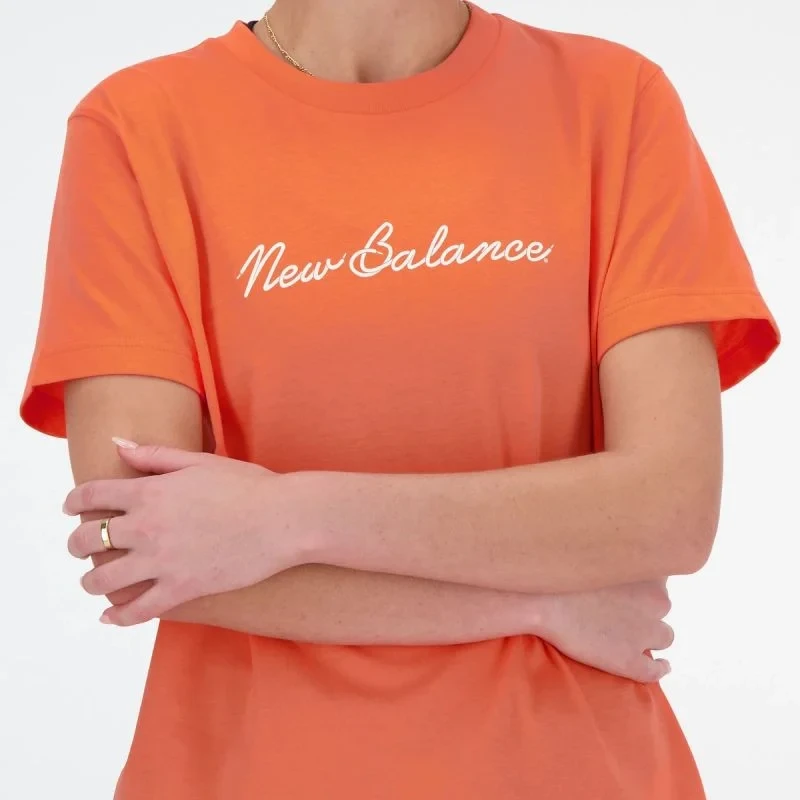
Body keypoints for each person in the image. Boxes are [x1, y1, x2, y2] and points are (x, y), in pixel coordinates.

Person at [21, 1, 779, 797]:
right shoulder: (136, 126)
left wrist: (287, 516)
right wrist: (539, 606)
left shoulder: (614, 100)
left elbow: (668, 507)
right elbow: (144, 545)